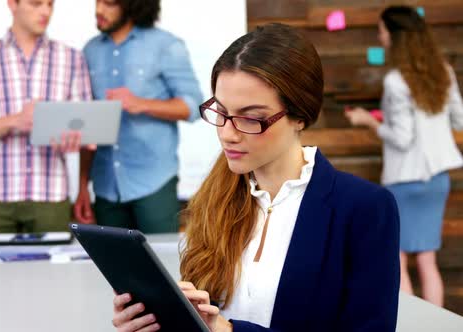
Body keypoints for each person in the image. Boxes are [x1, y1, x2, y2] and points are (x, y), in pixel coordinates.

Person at [111, 23, 400, 331]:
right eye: (221, 112)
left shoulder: (364, 209)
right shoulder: (214, 197)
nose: (227, 134)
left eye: (250, 118)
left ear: (300, 115)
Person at [346, 5, 463, 307]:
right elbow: (459, 120)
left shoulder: (396, 81)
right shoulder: (444, 72)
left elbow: (402, 138)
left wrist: (369, 121)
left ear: (396, 36)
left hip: (405, 180)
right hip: (437, 179)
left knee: (396, 258)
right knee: (427, 259)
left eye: (382, 30)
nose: (379, 35)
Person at [0, 0, 92, 239]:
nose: (45, 12)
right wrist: (16, 121)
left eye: (50, 5)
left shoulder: (72, 59)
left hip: (51, 194)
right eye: (36, 3)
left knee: (53, 276)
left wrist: (76, 139)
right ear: (12, 4)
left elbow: (85, 128)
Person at [75, 0, 203, 233]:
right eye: (97, 2)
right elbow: (87, 126)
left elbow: (194, 106)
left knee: (161, 263)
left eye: (109, 3)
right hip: (105, 185)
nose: (99, 10)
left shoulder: (166, 46)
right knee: (111, 265)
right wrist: (83, 185)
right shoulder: (89, 51)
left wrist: (142, 104)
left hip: (154, 181)